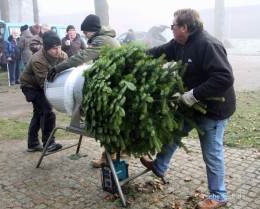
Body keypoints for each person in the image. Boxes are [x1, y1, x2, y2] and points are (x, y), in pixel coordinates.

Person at [139, 9, 236, 209]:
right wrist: (135, 55)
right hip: (191, 106)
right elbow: (158, 52)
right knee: (173, 133)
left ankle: (218, 195)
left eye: (173, 25)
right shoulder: (179, 44)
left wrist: (193, 95)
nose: (171, 29)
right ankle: (159, 166)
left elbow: (224, 77)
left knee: (212, 152)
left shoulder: (208, 45)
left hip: (214, 109)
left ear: (185, 27)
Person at [47, 14, 121, 168]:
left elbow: (81, 57)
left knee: (105, 122)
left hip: (111, 88)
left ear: (92, 30)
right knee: (113, 123)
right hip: (116, 84)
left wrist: (57, 68)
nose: (85, 35)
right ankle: (117, 150)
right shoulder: (108, 38)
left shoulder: (101, 41)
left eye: (86, 32)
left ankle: (109, 156)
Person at [20, 30, 68, 153]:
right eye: (54, 48)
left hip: (41, 85)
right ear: (46, 49)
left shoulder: (61, 55)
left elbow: (67, 70)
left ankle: (33, 144)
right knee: (48, 111)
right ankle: (49, 143)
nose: (58, 51)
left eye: (59, 47)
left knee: (38, 113)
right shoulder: (38, 60)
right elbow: (44, 84)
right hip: (30, 86)